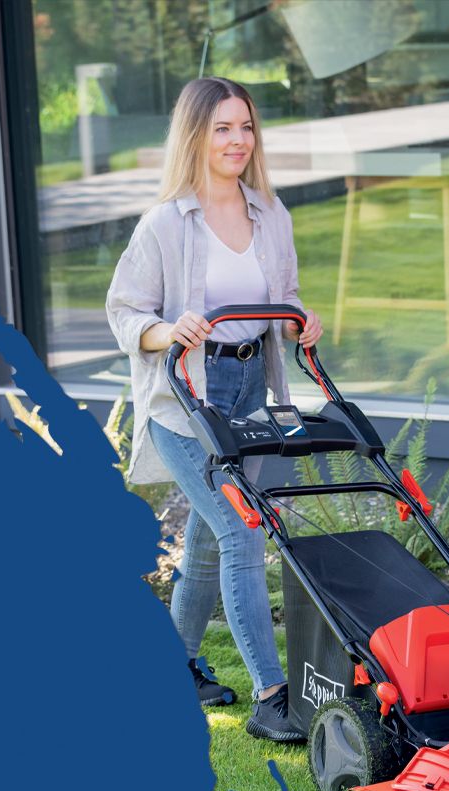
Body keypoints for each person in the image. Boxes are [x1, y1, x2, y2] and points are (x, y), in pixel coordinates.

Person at [105, 77, 323, 742]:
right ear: (195, 134)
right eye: (223, 127)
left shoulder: (270, 214)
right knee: (240, 529)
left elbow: (283, 297)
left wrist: (302, 319)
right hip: (185, 398)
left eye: (246, 126)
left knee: (208, 539)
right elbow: (124, 312)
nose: (237, 140)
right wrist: (167, 330)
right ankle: (272, 696)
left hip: (251, 390)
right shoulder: (165, 224)